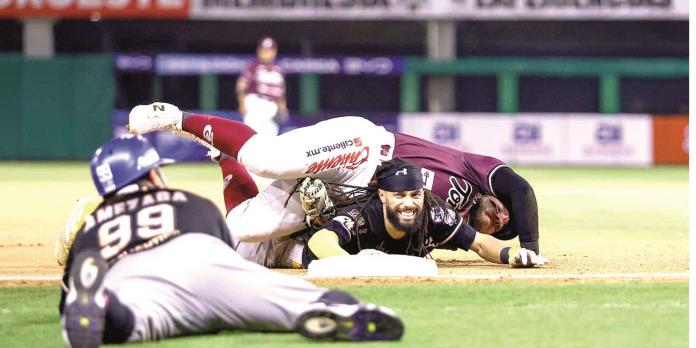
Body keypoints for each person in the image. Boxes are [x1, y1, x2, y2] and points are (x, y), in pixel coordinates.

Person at [57, 135, 404, 348]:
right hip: (205, 263)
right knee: (289, 300)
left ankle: (104, 306)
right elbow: (227, 252)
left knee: (132, 320)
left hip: (136, 281)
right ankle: (339, 309)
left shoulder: (91, 228)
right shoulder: (187, 202)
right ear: (151, 176)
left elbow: (65, 298)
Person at [126, 103, 541, 260]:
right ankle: (176, 117)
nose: (500, 216)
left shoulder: (441, 223)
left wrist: (325, 217)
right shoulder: (474, 170)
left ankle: (224, 158)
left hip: (348, 194)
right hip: (363, 149)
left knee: (242, 234)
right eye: (502, 210)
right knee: (271, 159)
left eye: (501, 225)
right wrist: (530, 247)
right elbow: (521, 190)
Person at [302, 158, 547, 268]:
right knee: (292, 253)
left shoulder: (435, 215)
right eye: (399, 196)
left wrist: (514, 255)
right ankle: (318, 214)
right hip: (309, 254)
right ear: (383, 196)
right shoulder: (365, 215)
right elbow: (321, 240)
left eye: (415, 195)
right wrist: (351, 265)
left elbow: (480, 244)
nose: (409, 203)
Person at [236, 36, 287, 137]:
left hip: (272, 107)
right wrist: (242, 104)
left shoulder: (278, 69)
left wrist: (282, 107)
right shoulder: (253, 66)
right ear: (259, 50)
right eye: (264, 50)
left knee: (270, 140)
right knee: (252, 138)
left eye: (269, 50)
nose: (266, 53)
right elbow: (241, 87)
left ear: (274, 51)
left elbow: (281, 92)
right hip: (255, 104)